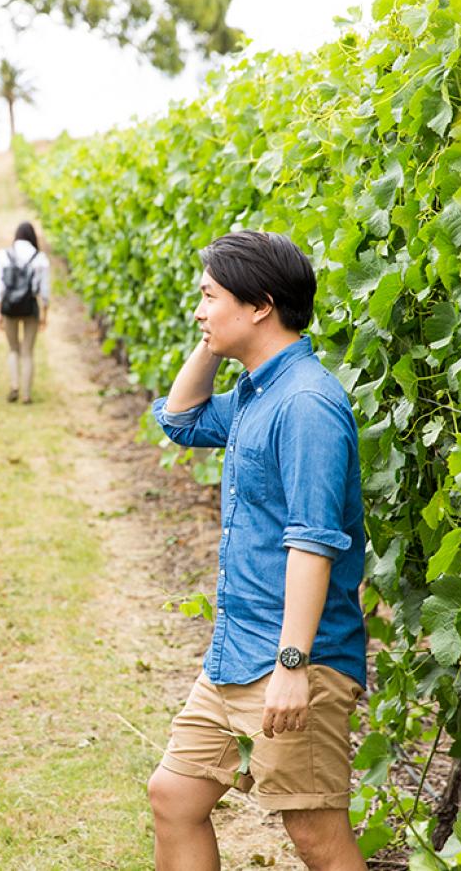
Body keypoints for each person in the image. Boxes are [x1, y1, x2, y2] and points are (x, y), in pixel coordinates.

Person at [146, 231, 367, 871]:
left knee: (315, 835)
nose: (198, 310)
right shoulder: (258, 391)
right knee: (173, 796)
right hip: (235, 652)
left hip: (294, 658)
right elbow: (181, 420)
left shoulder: (305, 405)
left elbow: (313, 543)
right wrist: (219, 334)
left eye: (209, 297)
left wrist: (293, 666)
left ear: (261, 304)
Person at [0, 221, 50, 403]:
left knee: (13, 349)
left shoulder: (3, 255)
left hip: (10, 306)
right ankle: (26, 393)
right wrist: (44, 315)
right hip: (30, 306)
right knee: (28, 351)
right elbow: (45, 292)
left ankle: (14, 385)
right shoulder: (40, 258)